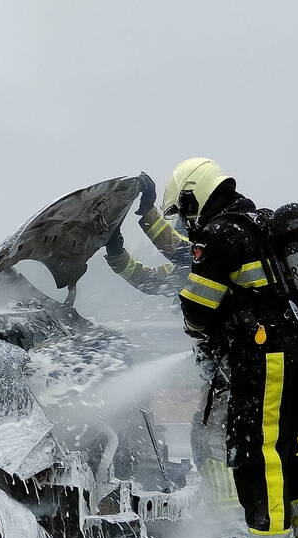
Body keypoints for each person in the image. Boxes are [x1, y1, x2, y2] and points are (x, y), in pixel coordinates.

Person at [162, 157, 298, 538]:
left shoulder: (219, 233)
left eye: (183, 208)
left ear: (194, 194)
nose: (185, 220)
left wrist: (196, 330)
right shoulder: (257, 222)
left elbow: (198, 308)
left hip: (264, 356)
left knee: (256, 449)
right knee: (288, 445)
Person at [104, 174, 238, 510]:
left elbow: (175, 248)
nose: (183, 225)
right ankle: (244, 514)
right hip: (234, 362)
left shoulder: (218, 248)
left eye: (183, 216)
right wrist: (118, 257)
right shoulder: (217, 250)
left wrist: (147, 211)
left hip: (239, 363)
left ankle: (231, 516)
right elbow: (153, 279)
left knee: (214, 438)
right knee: (218, 435)